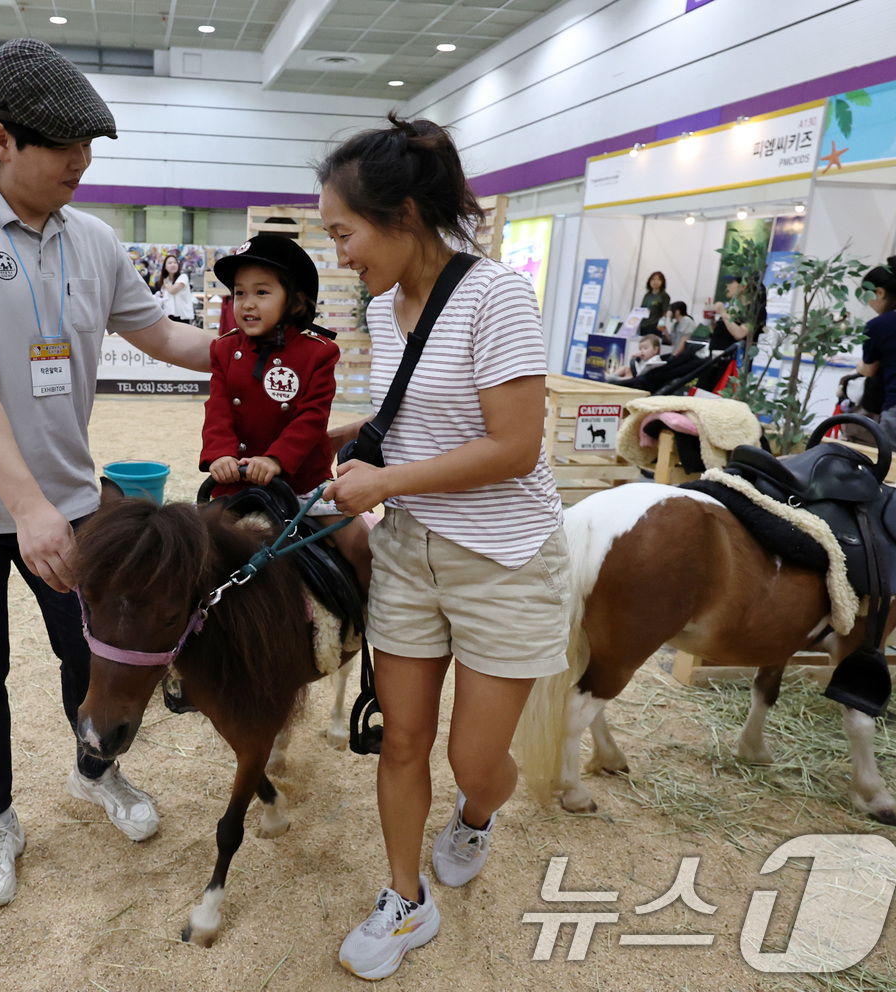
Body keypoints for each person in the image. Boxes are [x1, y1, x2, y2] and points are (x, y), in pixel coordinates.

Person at [0, 38, 214, 913]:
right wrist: (25, 506)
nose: (82, 162)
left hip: (69, 499)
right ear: (1, 140)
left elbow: (163, 336)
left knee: (91, 649)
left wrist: (264, 350)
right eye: (65, 145)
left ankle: (94, 772)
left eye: (90, 146)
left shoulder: (94, 241)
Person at [317, 114, 570, 981]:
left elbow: (515, 447)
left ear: (403, 216)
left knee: (473, 761)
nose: (340, 255)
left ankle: (477, 814)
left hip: (505, 560)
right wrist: (347, 435)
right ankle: (405, 898)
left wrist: (383, 482)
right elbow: (419, 412)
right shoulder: (385, 308)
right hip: (411, 552)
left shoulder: (496, 297)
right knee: (401, 739)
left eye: (343, 233)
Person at [201, 234, 371, 590]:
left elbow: (311, 418)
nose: (247, 303)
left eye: (262, 292)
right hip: (236, 482)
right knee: (193, 550)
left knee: (361, 546)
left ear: (295, 302)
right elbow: (218, 409)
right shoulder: (224, 349)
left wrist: (276, 459)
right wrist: (220, 455)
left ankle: (367, 613)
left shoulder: (317, 353)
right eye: (240, 293)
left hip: (301, 484)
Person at [857, 253, 896, 455]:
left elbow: (869, 370)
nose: (869, 303)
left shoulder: (879, 325)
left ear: (880, 292)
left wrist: (859, 367)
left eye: (868, 296)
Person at [152, 253, 194, 323]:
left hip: (182, 315)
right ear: (165, 267)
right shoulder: (165, 280)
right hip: (168, 315)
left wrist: (166, 284)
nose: (173, 265)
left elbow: (173, 290)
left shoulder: (183, 277)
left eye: (175, 263)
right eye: (170, 263)